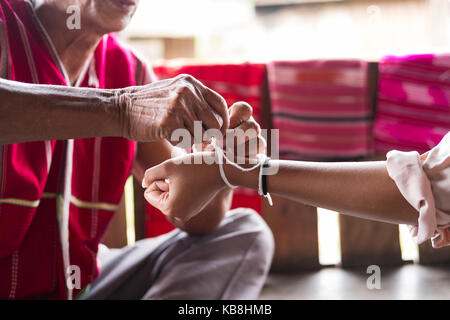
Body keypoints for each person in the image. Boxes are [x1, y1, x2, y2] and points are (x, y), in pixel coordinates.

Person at [0, 0, 274, 299]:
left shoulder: (130, 69)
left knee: (242, 234)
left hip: (80, 285)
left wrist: (220, 168)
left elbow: (196, 220)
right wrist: (121, 109)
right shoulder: (5, 23)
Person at [143, 130, 450, 249]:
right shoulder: (130, 95)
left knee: (249, 232)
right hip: (104, 265)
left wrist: (227, 171)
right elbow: (430, 190)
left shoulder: (131, 74)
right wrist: (228, 170)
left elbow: (428, 191)